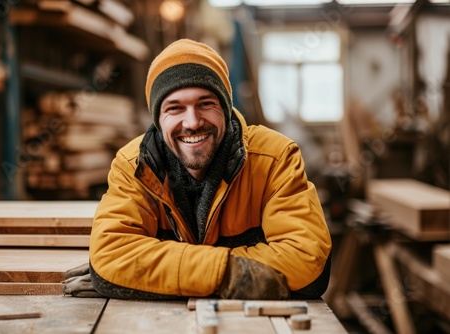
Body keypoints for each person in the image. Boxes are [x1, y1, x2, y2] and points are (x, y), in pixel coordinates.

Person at [63, 39, 332, 300]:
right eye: (175, 108)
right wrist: (231, 273)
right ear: (158, 118)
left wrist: (152, 273)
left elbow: (306, 262)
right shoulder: (134, 165)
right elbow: (112, 255)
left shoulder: (275, 158)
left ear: (225, 109)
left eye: (205, 104)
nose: (192, 122)